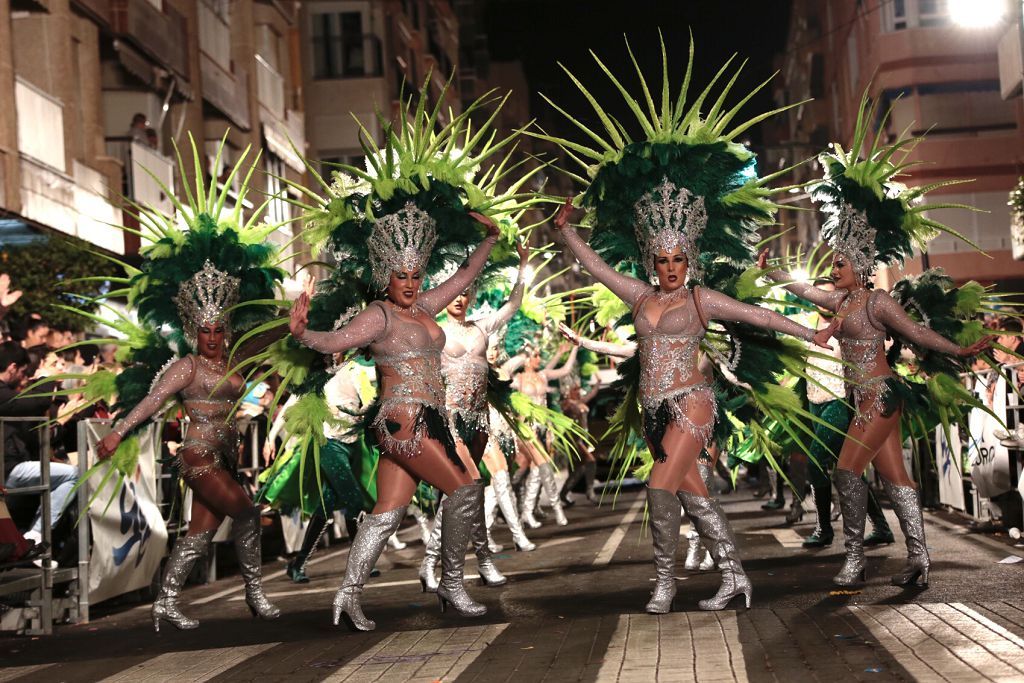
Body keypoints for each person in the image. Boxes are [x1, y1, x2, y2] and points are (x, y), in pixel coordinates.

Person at [537, 37, 831, 613]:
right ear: (652, 259)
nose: (671, 269)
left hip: (692, 402)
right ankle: (735, 576)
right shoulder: (638, 293)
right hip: (650, 406)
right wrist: (567, 230)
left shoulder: (702, 300)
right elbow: (594, 264)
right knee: (694, 494)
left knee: (660, 487)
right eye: (663, 260)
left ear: (689, 259)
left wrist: (811, 334)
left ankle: (666, 584)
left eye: (679, 260)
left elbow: (760, 314)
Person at [760, 93, 994, 588]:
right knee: (896, 480)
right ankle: (920, 563)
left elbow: (918, 332)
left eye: (839, 263)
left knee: (847, 472)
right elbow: (805, 288)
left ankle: (854, 561)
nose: (832, 267)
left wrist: (959, 350)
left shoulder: (877, 302)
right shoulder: (840, 303)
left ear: (861, 266)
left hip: (881, 396)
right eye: (833, 262)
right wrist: (776, 272)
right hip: (860, 397)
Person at [290, 210, 502, 628]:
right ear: (386, 274)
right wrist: (301, 334)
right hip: (402, 420)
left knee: (388, 512)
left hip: (432, 417)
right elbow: (336, 340)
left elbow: (462, 277)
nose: (409, 282)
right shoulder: (378, 315)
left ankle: (347, 596)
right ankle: (452, 583)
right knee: (465, 489)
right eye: (401, 275)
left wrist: (491, 239)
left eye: (415, 274)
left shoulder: (425, 306)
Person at [96, 262, 282, 630]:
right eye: (204, 331)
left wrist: (297, 316)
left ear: (225, 330)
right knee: (246, 513)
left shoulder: (234, 360)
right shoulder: (187, 367)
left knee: (200, 533)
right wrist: (119, 431)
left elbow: (270, 337)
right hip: (199, 454)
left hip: (226, 458)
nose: (211, 338)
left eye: (217, 330)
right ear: (192, 331)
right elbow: (152, 401)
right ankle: (255, 592)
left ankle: (165, 602)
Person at [418, 238, 530, 592]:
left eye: (466, 292)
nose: (460, 299)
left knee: (462, 493)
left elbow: (514, 304)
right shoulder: (432, 331)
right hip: (448, 420)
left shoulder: (482, 326)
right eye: (454, 292)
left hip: (478, 420)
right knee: (472, 486)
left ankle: (429, 561)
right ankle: (481, 561)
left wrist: (523, 264)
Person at [0, 342, 72, 557]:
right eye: (53, 363)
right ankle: (35, 536)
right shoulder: (2, 393)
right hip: (8, 469)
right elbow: (34, 403)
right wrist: (46, 379)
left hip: (12, 466)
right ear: (13, 368)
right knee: (75, 475)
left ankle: (33, 538)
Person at [510, 343, 578, 528]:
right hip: (525, 430)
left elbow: (565, 370)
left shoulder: (543, 375)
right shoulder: (517, 379)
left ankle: (527, 511)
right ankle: (553, 509)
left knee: (538, 470)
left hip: (543, 429)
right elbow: (502, 381)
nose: (539, 359)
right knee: (531, 469)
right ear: (527, 359)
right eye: (536, 355)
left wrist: (575, 348)